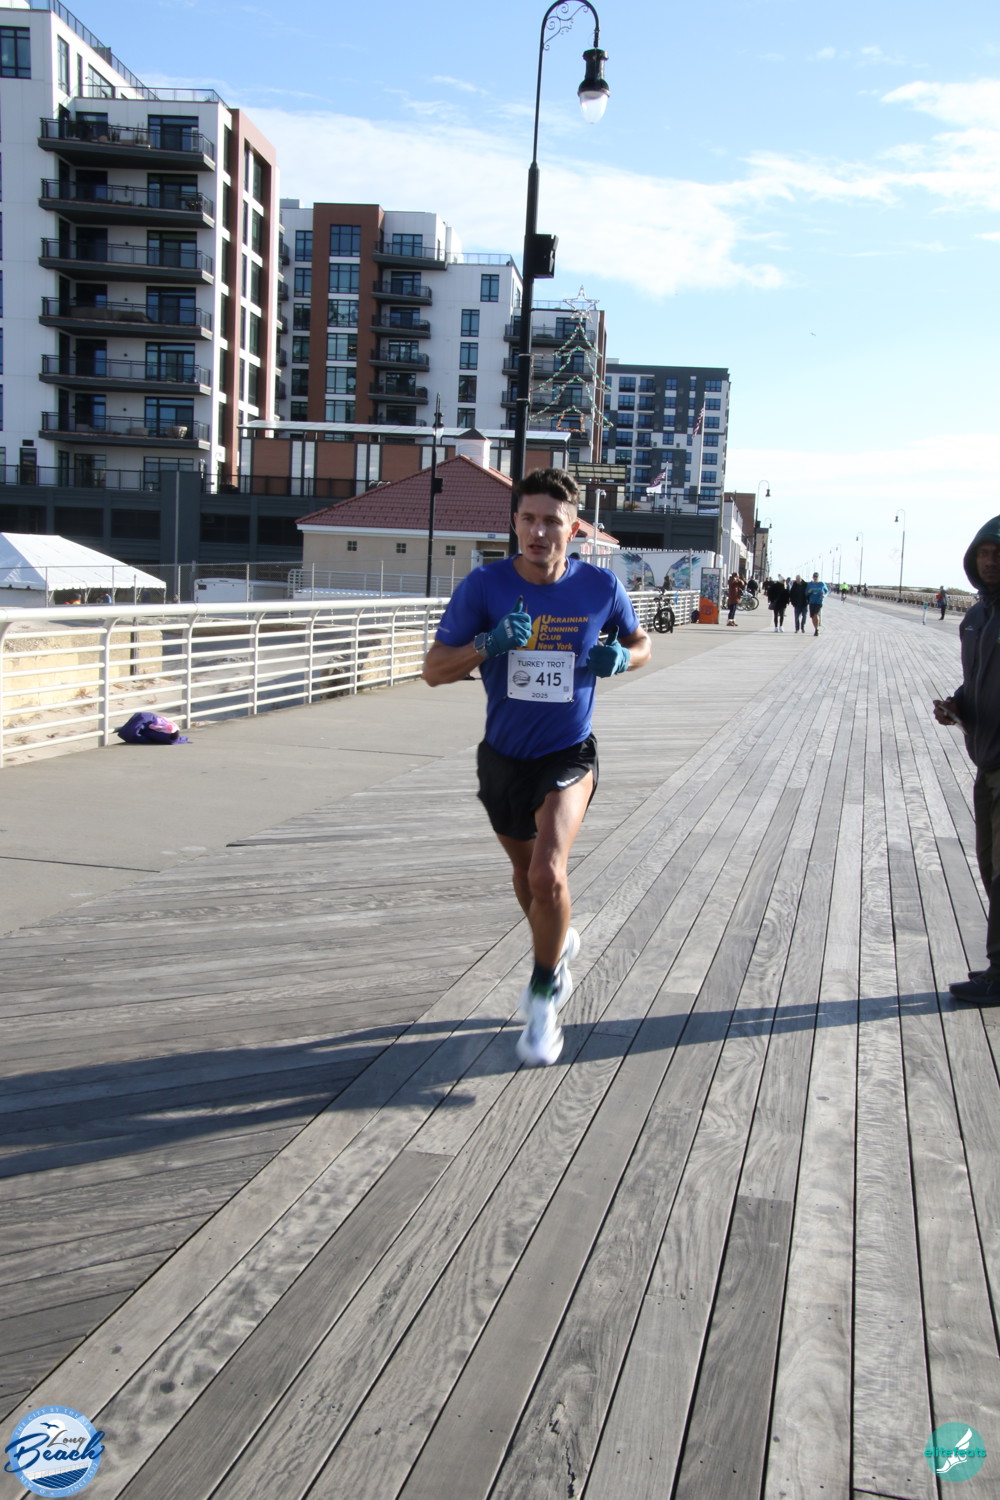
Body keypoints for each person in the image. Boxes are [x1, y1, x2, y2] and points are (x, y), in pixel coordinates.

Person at [423, 468, 651, 1063]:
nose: (539, 531)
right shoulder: (485, 586)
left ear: (573, 530)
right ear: (515, 523)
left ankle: (544, 994)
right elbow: (433, 669)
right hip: (503, 757)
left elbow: (642, 643)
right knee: (527, 878)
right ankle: (558, 938)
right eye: (528, 518)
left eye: (552, 521)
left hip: (568, 752)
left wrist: (621, 658)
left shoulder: (600, 587)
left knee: (549, 875)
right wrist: (489, 644)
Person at [934, 525, 1000, 999]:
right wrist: (957, 705)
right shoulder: (976, 617)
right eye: (985, 553)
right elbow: (978, 682)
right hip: (986, 756)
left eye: (999, 554)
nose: (991, 562)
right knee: (989, 863)